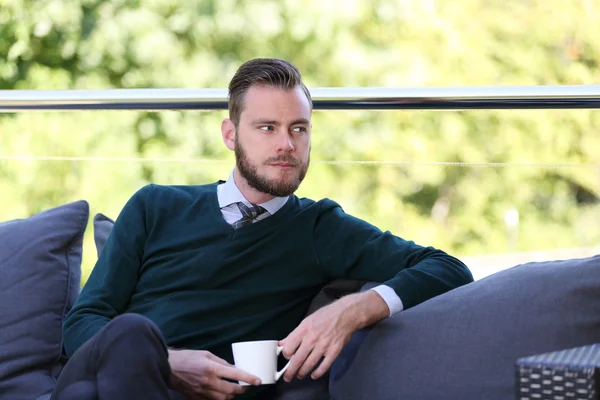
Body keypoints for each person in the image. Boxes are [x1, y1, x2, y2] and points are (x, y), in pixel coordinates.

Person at [51, 58, 473, 400]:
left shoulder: (319, 227)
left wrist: (353, 309)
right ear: (231, 135)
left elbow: (448, 268)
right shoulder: (155, 205)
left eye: (299, 129)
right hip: (121, 366)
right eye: (267, 128)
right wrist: (166, 361)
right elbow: (83, 321)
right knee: (130, 335)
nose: (286, 144)